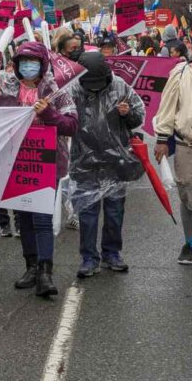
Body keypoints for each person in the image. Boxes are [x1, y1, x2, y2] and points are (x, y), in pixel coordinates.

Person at [0, 42, 79, 297]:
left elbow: (71, 125)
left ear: (43, 63)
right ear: (16, 65)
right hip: (17, 162)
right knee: (24, 217)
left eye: (34, 61)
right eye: (23, 61)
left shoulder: (56, 90)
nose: (28, 66)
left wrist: (49, 113)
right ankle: (30, 267)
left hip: (47, 161)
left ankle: (45, 273)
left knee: (42, 217)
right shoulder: (6, 88)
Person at [68, 52, 145, 278]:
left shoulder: (120, 87)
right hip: (85, 160)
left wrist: (128, 113)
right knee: (87, 212)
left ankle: (112, 253)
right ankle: (89, 258)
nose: (94, 89)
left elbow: (138, 117)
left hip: (115, 160)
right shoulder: (72, 90)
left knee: (114, 212)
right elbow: (64, 120)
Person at [154, 56, 192, 265]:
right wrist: (162, 138)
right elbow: (167, 106)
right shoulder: (181, 73)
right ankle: (190, 243)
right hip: (187, 145)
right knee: (188, 196)